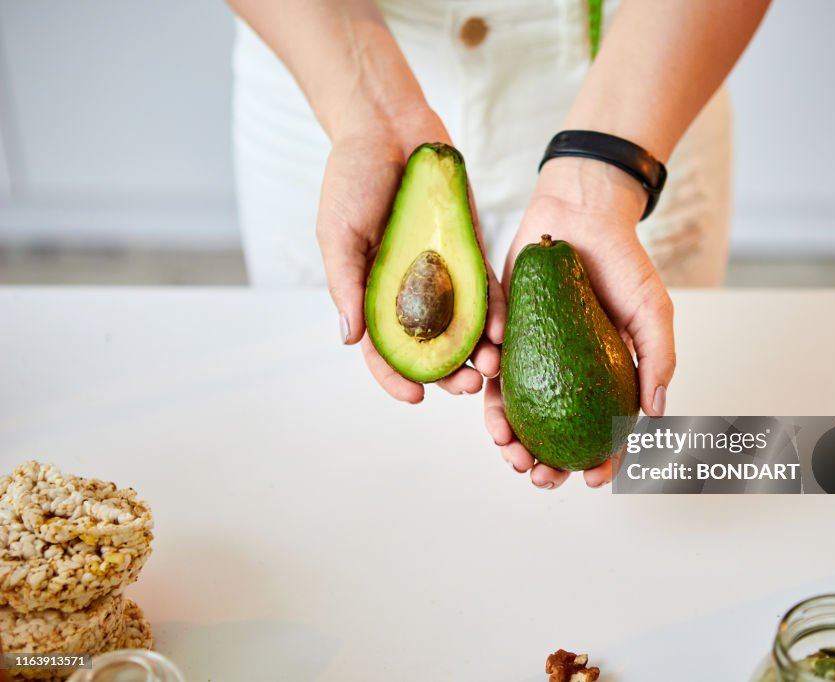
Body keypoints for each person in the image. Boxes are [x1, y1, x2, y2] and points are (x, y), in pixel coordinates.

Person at [228, 0, 770, 489]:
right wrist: (371, 115)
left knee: (665, 488)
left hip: (646, 78)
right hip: (328, 62)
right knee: (321, 451)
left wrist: (602, 177)